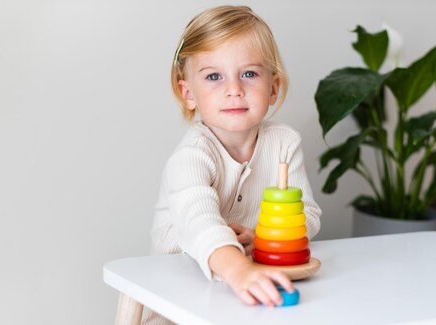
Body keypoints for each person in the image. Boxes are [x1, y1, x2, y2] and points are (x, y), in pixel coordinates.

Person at [118, 5, 322, 324]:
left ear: (273, 88)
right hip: (178, 296)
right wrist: (238, 269)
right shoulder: (192, 156)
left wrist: (265, 237)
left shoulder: (285, 143)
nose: (234, 89)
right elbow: (201, 225)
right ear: (188, 94)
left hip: (244, 291)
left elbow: (307, 214)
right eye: (214, 76)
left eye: (249, 74)